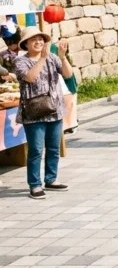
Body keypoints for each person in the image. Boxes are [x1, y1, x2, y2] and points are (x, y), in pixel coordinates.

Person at [15, 27, 74, 199]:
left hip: (54, 109)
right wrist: (42, 59)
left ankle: (51, 179)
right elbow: (30, 78)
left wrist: (62, 58)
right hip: (34, 113)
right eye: (34, 40)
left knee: (54, 148)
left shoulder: (52, 58)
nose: (38, 42)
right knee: (36, 150)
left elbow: (68, 74)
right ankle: (35, 185)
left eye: (41, 39)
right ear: (26, 43)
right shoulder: (21, 61)